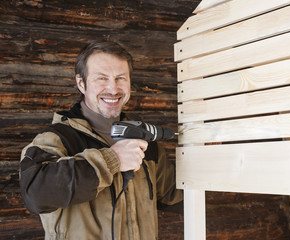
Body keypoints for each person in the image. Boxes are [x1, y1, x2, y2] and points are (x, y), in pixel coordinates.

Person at [19, 40, 182, 240]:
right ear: (81, 83)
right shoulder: (57, 139)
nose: (113, 89)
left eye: (121, 78)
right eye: (102, 78)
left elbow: (174, 196)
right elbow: (35, 195)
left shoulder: (145, 142)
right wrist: (112, 160)